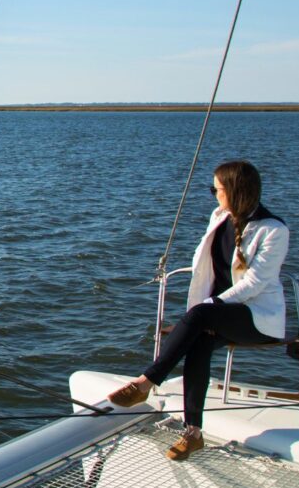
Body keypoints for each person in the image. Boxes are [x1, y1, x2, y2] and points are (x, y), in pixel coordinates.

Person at [107, 160, 289, 461]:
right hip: (217, 313)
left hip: (255, 317)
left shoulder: (273, 230)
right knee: (199, 339)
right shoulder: (220, 216)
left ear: (233, 190)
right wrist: (209, 304)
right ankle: (193, 433)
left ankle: (146, 381)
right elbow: (205, 265)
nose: (214, 194)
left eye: (216, 189)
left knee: (200, 317)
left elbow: (255, 283)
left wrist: (212, 303)